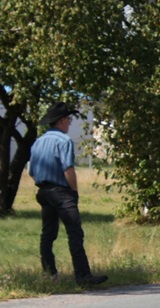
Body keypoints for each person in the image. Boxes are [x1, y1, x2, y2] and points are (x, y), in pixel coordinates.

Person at [29, 102, 108, 286]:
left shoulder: (38, 142)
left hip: (44, 191)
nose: (70, 123)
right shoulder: (64, 141)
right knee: (75, 232)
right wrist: (74, 191)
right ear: (61, 120)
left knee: (48, 234)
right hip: (61, 192)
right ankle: (82, 276)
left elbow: (31, 171)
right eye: (69, 119)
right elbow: (68, 169)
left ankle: (50, 273)